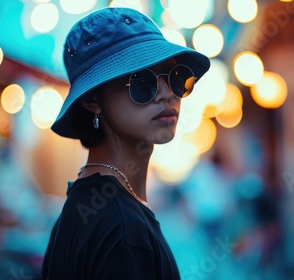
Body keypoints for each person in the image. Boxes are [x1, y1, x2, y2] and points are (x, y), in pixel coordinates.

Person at [41, 7, 210, 279]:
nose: (167, 94)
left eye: (175, 77)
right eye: (141, 81)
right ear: (92, 100)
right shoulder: (121, 228)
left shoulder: (84, 209)